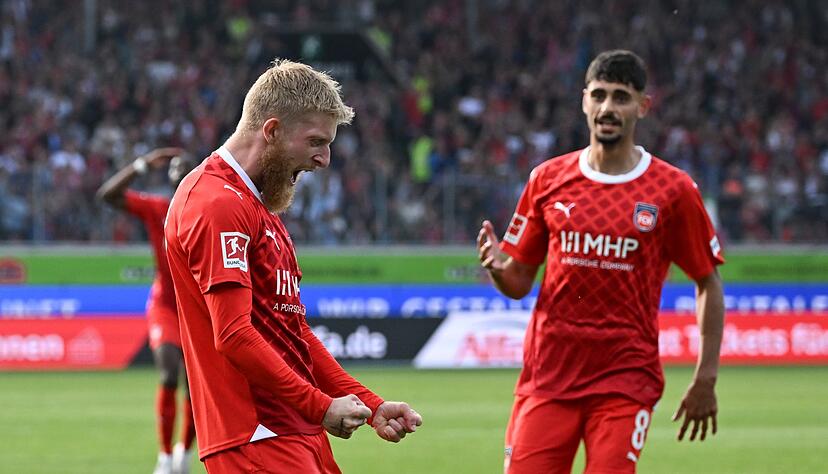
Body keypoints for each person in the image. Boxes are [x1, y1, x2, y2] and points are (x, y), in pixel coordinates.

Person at [163, 59, 422, 474]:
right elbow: (233, 335)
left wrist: (370, 406)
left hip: (296, 432)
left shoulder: (260, 209)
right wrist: (320, 406)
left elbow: (293, 333)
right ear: (272, 131)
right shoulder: (215, 203)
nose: (325, 160)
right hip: (256, 438)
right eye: (316, 142)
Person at [477, 50, 725, 474]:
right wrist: (497, 268)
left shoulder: (673, 190)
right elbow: (519, 282)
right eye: (600, 95)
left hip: (625, 381)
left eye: (622, 97)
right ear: (584, 100)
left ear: (643, 106)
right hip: (548, 378)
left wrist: (706, 378)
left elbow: (708, 282)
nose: (609, 107)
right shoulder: (548, 179)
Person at [96, 148, 197, 474]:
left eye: (185, 166)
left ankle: (184, 453)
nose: (177, 170)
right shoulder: (158, 208)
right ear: (167, 178)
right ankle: (165, 458)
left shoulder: (210, 212)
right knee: (168, 374)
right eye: (173, 167)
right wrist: (140, 164)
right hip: (165, 306)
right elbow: (107, 196)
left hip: (196, 311)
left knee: (195, 387)